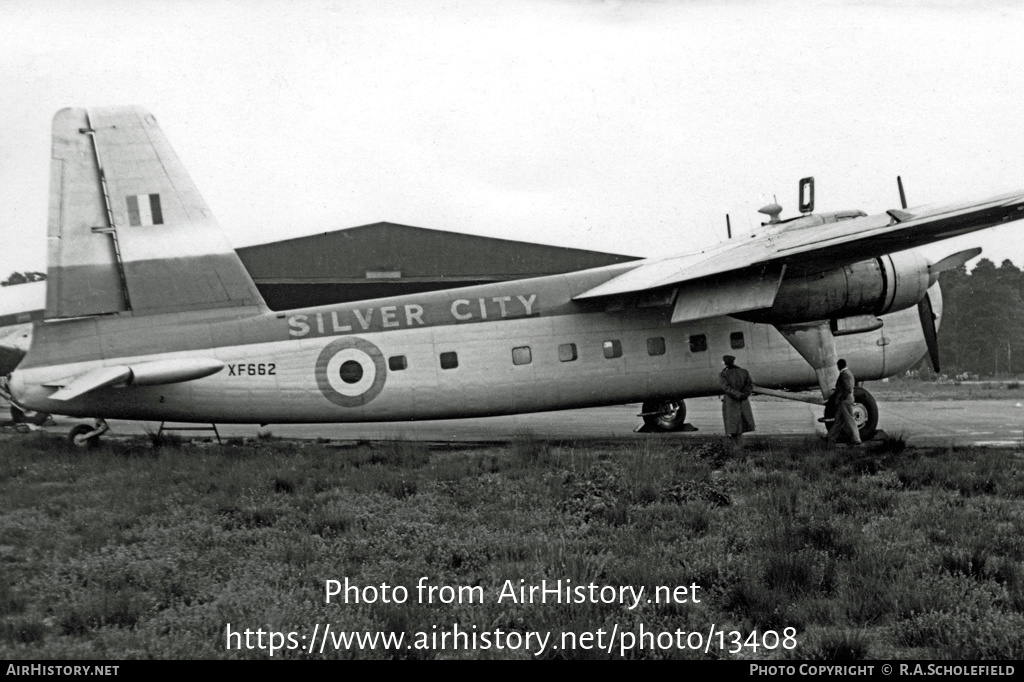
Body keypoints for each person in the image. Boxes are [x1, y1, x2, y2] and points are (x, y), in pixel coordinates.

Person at [720, 355, 755, 448]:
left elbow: (725, 388)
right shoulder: (744, 372)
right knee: (741, 425)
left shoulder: (724, 374)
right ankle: (740, 445)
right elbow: (750, 385)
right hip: (743, 401)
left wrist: (737, 395)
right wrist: (744, 394)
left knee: (732, 426)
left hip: (731, 402)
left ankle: (736, 447)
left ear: (725, 362)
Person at [826, 358, 862, 445]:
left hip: (845, 400)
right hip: (845, 400)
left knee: (849, 419)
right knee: (839, 420)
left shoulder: (844, 374)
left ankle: (856, 439)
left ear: (839, 366)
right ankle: (830, 438)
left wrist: (842, 397)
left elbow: (848, 388)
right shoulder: (848, 373)